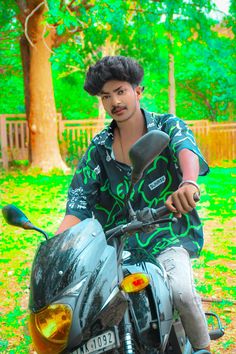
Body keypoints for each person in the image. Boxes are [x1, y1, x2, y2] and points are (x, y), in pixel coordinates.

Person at [56, 56, 211, 352]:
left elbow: (185, 148)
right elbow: (78, 203)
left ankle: (202, 347)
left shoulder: (166, 125)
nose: (115, 101)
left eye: (121, 91)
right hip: (115, 247)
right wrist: (58, 247)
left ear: (138, 90)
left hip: (166, 235)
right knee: (89, 311)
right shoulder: (99, 148)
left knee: (180, 290)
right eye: (106, 96)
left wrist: (188, 182)